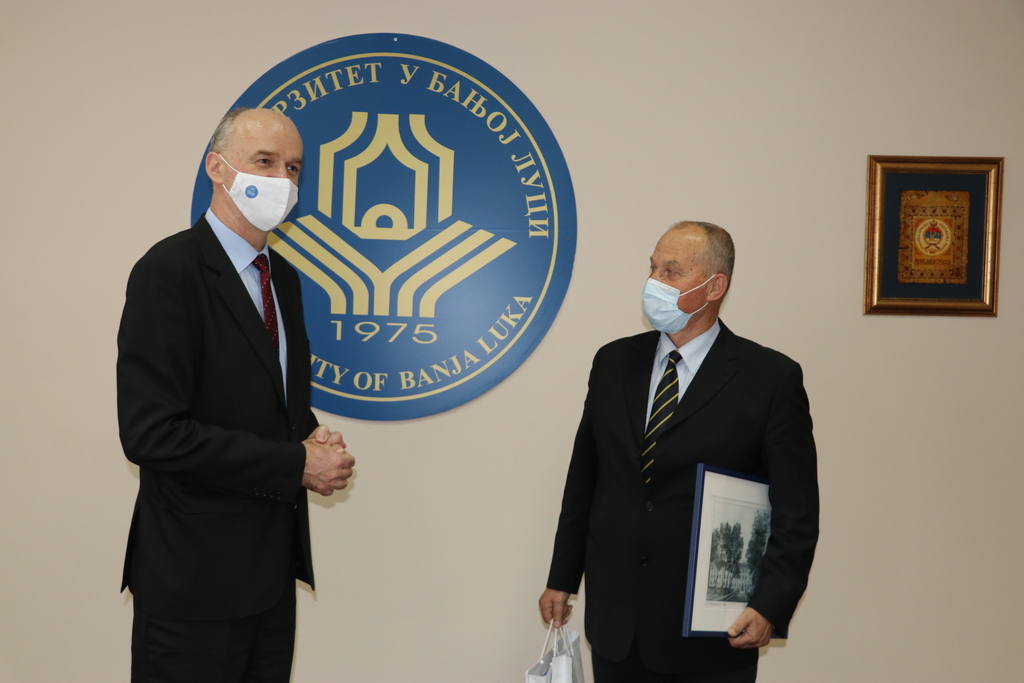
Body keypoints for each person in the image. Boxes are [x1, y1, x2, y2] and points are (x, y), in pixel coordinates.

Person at [117, 107, 355, 682]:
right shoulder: (169, 271)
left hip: (269, 579)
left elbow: (265, 398)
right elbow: (151, 434)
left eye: (293, 168)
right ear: (216, 168)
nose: (282, 180)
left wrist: (311, 437)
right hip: (193, 583)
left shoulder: (284, 278)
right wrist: (295, 463)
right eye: (265, 161)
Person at [539, 222, 819, 682]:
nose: (654, 282)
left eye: (671, 271)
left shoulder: (770, 379)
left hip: (711, 638)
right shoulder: (613, 362)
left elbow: (797, 512)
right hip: (617, 627)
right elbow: (585, 478)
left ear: (715, 286)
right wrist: (562, 578)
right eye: (652, 268)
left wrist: (770, 604)